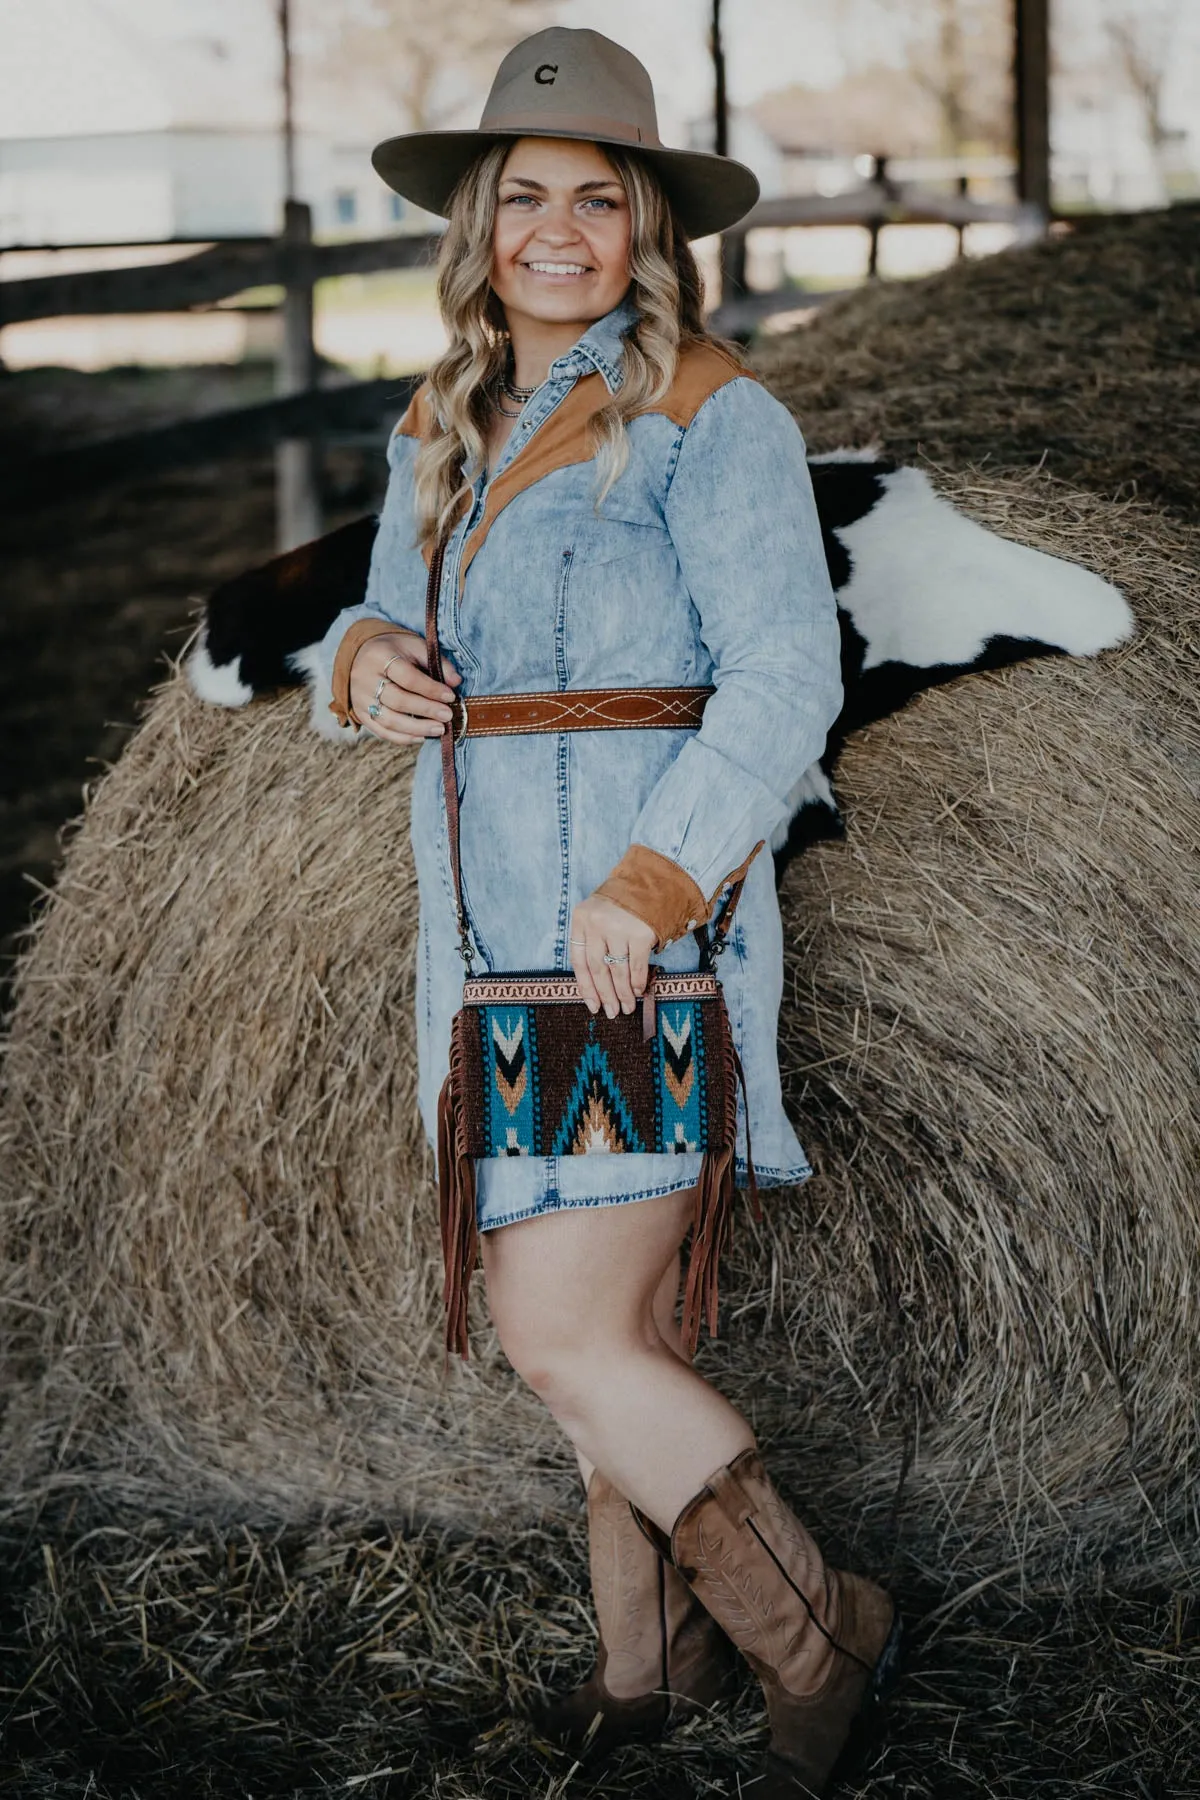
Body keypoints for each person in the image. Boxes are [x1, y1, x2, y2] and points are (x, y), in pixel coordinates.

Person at [309, 28, 899, 1798]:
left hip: (638, 939)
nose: (557, 230)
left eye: (597, 199)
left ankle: (823, 1635)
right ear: (478, 227)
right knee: (605, 1345)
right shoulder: (443, 423)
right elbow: (370, 621)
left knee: (563, 1330)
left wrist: (656, 882)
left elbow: (787, 674)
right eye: (524, 200)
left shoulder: (717, 415)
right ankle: (646, 1678)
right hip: (480, 956)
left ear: (648, 228)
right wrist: (359, 663)